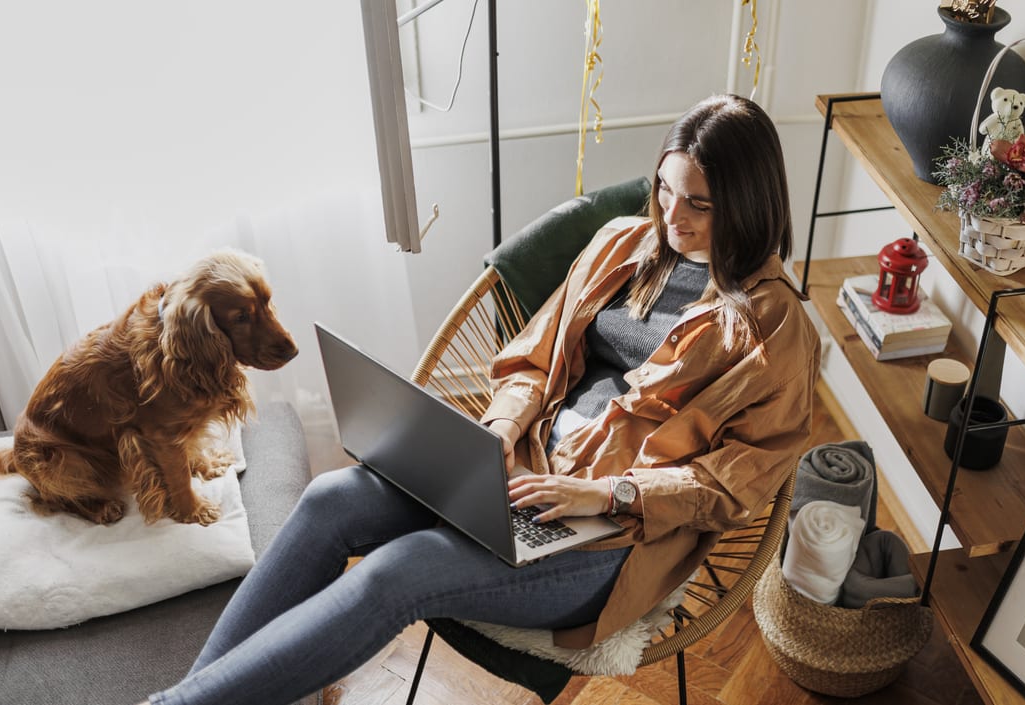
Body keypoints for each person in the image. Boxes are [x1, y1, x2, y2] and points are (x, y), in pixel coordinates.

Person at [143, 93, 820, 705]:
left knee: (398, 573)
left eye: (698, 204)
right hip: (514, 471)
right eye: (665, 190)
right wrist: (499, 426)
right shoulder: (624, 243)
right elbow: (532, 354)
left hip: (605, 538)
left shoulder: (775, 327)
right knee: (330, 499)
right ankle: (200, 693)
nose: (672, 216)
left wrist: (608, 494)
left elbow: (732, 483)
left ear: (748, 202)